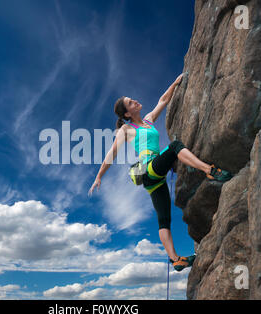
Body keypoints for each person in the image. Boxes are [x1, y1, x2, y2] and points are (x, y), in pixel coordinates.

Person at [88, 73, 233, 272]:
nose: (136, 101)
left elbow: (163, 100)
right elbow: (111, 154)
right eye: (131, 102)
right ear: (127, 114)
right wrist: (98, 176)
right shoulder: (126, 129)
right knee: (174, 146)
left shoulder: (147, 120)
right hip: (148, 170)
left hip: (153, 178)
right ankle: (210, 171)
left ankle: (175, 260)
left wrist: (174, 82)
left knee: (164, 219)